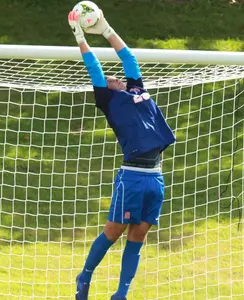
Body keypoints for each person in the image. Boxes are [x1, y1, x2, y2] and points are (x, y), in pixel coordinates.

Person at [68, 8, 176, 300]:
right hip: (132, 177)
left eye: (120, 78)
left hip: (156, 177)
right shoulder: (107, 99)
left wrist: (106, 29)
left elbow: (128, 58)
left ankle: (121, 294)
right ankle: (85, 276)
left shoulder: (136, 90)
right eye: (113, 78)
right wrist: (80, 37)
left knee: (138, 235)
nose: (118, 78)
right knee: (114, 231)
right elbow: (95, 68)